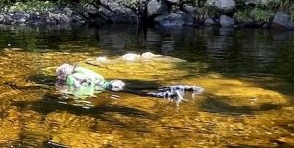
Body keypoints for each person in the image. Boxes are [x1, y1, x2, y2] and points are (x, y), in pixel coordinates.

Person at [55, 62, 202, 100]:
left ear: (63, 74)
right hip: (113, 81)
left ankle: (170, 96)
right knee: (142, 87)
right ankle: (182, 87)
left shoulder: (69, 78)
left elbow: (78, 89)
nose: (59, 78)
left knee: (139, 94)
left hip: (110, 88)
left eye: (59, 76)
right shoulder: (82, 69)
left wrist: (68, 92)